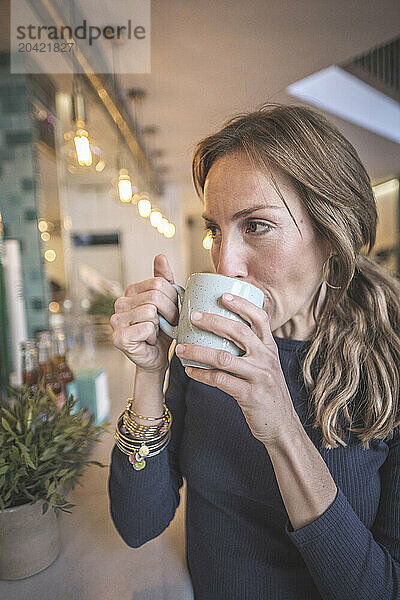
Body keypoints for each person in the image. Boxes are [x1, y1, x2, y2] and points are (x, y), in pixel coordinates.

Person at [108, 104, 400, 600]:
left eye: (257, 226)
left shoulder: (389, 359)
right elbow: (138, 524)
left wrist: (280, 423)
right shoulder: (205, 348)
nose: (225, 261)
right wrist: (150, 372)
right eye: (216, 229)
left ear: (331, 233)